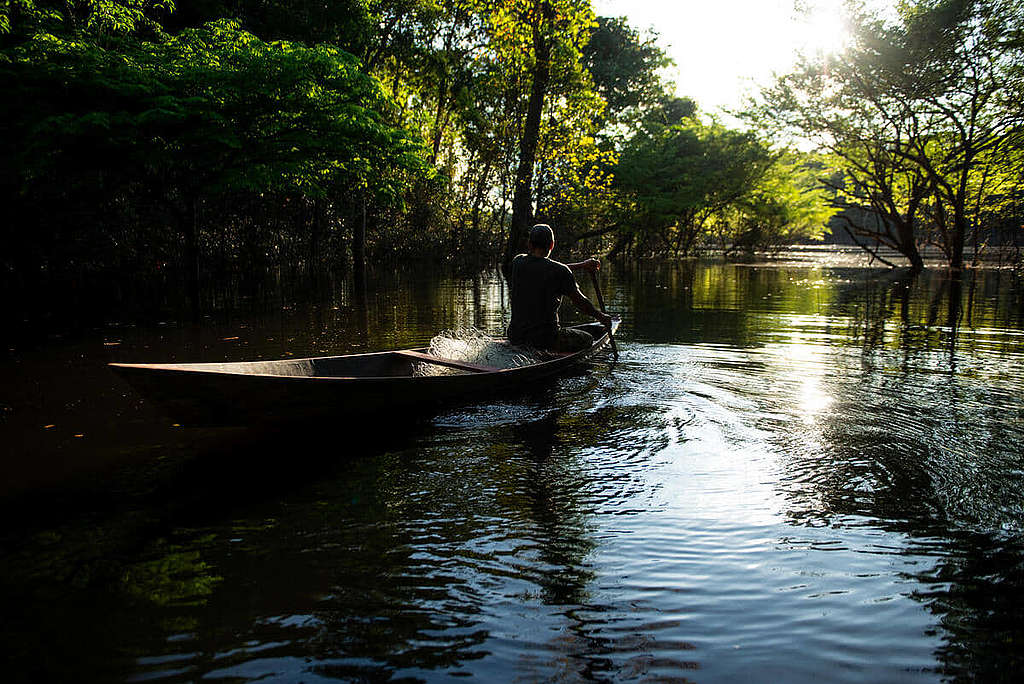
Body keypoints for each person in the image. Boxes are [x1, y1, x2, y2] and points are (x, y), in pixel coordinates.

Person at [507, 223, 613, 352]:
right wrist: (601, 317)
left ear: (529, 244)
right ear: (552, 245)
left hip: (515, 336)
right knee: (588, 339)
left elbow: (545, 268)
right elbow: (580, 302)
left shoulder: (518, 262)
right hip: (545, 340)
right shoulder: (559, 271)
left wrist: (581, 265)